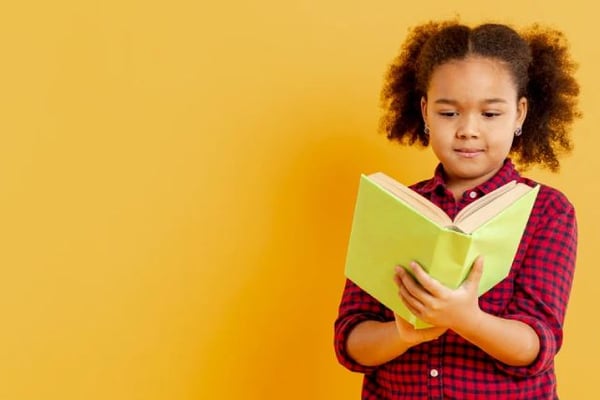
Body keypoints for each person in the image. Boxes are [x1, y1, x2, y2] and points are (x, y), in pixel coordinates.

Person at [334, 20, 580, 399]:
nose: (467, 129)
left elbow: (536, 346)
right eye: (449, 113)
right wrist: (400, 335)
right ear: (425, 112)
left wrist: (466, 319)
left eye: (490, 114)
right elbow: (350, 341)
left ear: (519, 114)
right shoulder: (393, 207)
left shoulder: (547, 212)